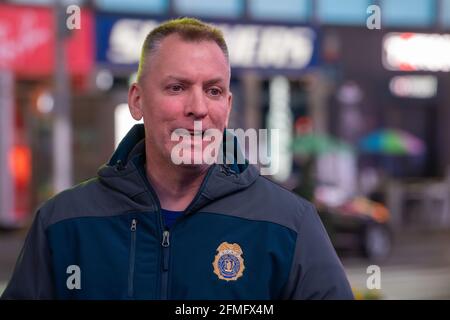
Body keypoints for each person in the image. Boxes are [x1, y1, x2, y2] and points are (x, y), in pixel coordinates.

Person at [1, 18, 353, 300]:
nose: (198, 108)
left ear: (227, 107)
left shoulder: (288, 225)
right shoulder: (64, 224)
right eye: (177, 88)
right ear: (137, 101)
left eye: (213, 91)